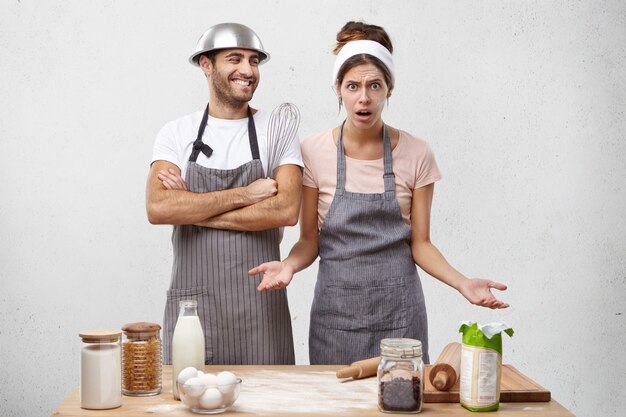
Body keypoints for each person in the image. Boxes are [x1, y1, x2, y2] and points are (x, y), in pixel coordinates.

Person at [249, 21, 508, 365]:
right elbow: (309, 241)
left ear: (390, 89)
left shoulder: (417, 153)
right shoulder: (311, 152)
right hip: (335, 318)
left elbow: (421, 244)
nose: (364, 97)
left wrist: (462, 283)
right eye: (353, 85)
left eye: (375, 85)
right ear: (338, 89)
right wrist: (289, 266)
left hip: (400, 314)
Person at [146, 23, 302, 365]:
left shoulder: (277, 130)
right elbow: (159, 207)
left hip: (260, 306)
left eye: (254, 61)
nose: (247, 70)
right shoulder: (176, 133)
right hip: (195, 308)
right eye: (235, 59)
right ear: (206, 64)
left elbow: (287, 210)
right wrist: (247, 194)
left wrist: (193, 209)